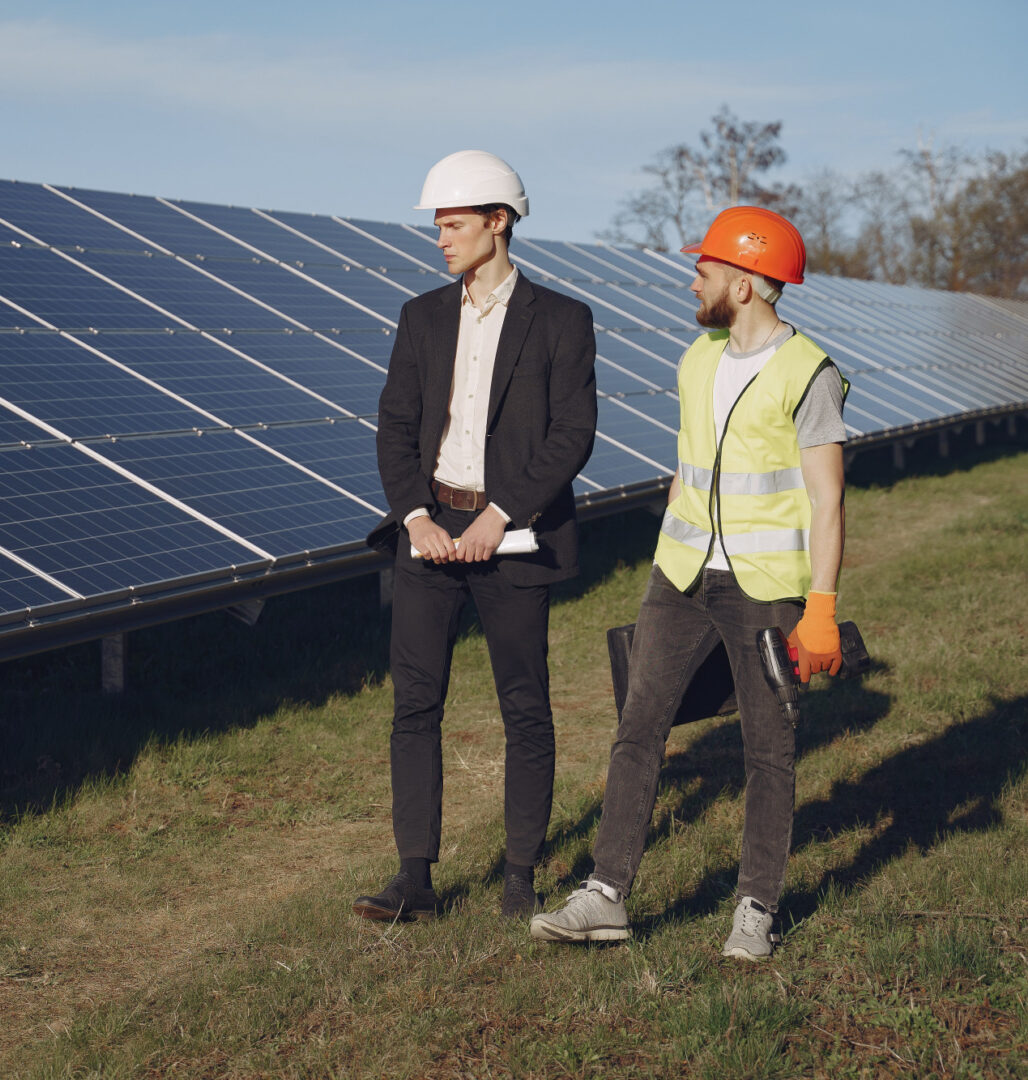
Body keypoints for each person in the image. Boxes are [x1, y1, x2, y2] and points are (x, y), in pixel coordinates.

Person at [529, 205, 848, 959]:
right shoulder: (696, 358)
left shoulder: (811, 373)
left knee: (768, 748)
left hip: (764, 585)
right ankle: (606, 895)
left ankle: (756, 909)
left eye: (704, 268)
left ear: (743, 282)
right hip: (679, 573)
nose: (692, 279)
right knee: (637, 728)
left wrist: (824, 609)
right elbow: (691, 465)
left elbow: (829, 499)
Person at [357, 151, 597, 921]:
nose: (440, 238)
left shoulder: (562, 319)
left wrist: (503, 515)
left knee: (524, 705)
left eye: (454, 224)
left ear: (499, 223)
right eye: (438, 225)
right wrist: (416, 516)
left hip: (515, 532)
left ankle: (520, 874)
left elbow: (573, 435)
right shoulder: (421, 316)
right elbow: (395, 424)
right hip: (428, 530)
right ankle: (415, 880)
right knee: (415, 704)